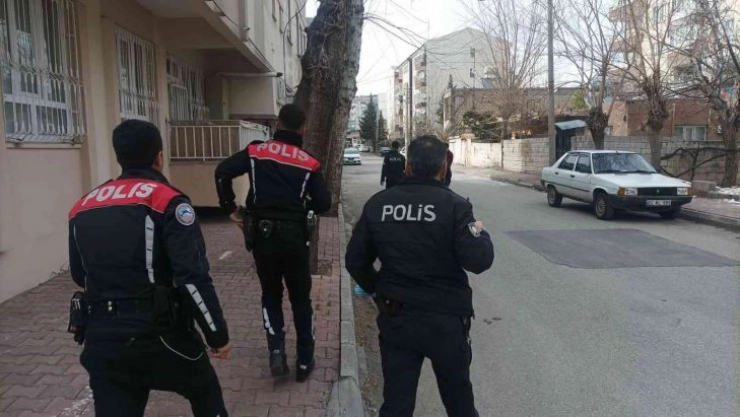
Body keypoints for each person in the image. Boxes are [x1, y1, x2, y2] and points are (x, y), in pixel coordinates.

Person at [68, 120, 232, 417]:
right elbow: (192, 278)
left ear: (119, 156)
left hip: (103, 338)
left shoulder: (83, 205)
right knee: (205, 391)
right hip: (160, 335)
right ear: (159, 157)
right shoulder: (167, 200)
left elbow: (80, 275)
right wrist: (217, 335)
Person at [346, 135, 494, 417]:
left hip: (396, 317)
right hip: (446, 322)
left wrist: (378, 292)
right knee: (460, 404)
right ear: (444, 167)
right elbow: (479, 261)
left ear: (408, 167)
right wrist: (479, 231)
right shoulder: (456, 206)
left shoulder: (379, 204)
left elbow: (355, 260)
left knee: (396, 405)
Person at [215, 104, 331, 382]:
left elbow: (222, 172)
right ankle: (304, 360)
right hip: (295, 238)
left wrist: (230, 207)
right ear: (303, 129)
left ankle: (276, 352)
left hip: (263, 236)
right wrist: (301, 208)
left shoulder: (256, 152)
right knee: (300, 298)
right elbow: (324, 203)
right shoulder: (309, 162)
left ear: (278, 124)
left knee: (270, 293)